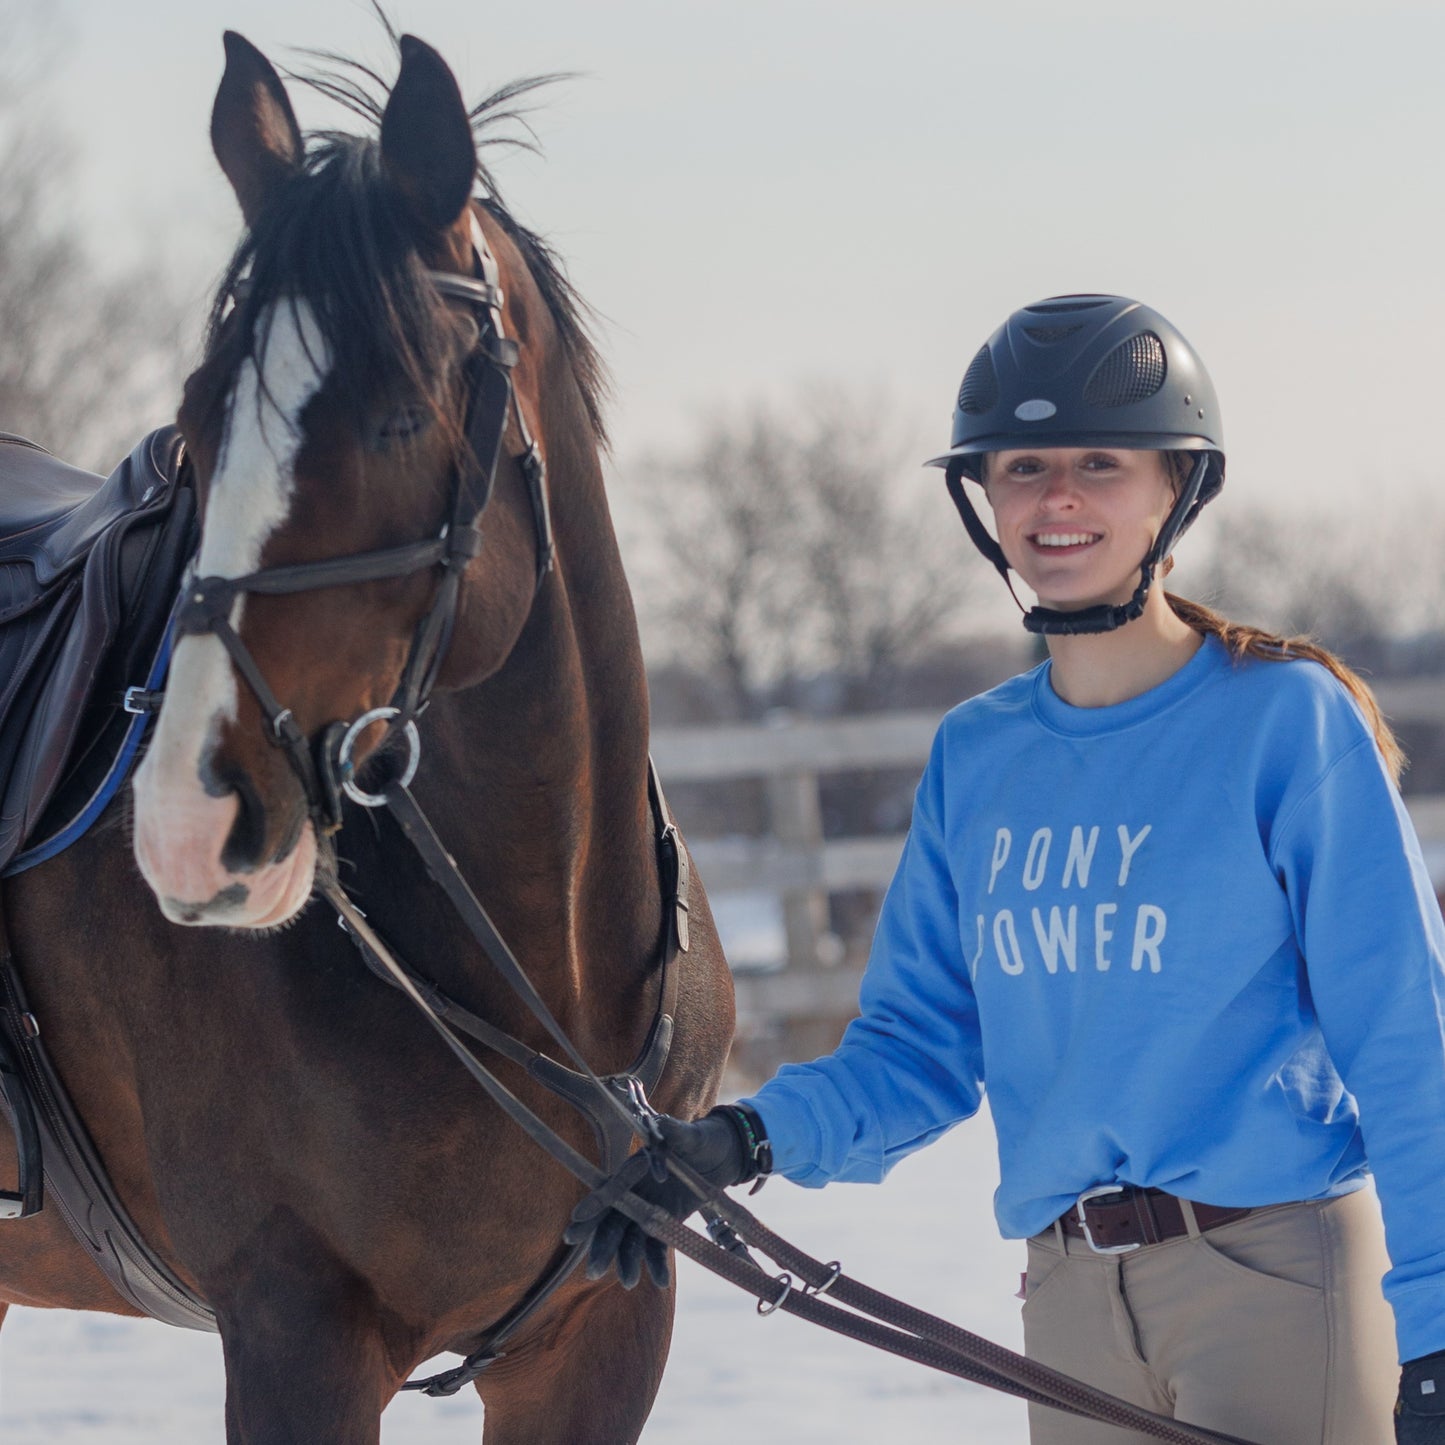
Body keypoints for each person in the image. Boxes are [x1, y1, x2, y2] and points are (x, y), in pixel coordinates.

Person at [569, 295, 1445, 1445]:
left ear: (1174, 489)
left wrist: (1432, 1326)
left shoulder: (1284, 724)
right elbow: (915, 1050)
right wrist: (742, 1140)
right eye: (1021, 465)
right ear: (984, 496)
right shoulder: (976, 757)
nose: (1055, 497)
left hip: (1271, 1278)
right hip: (1067, 1296)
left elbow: (1405, 1041)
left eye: (1099, 462)